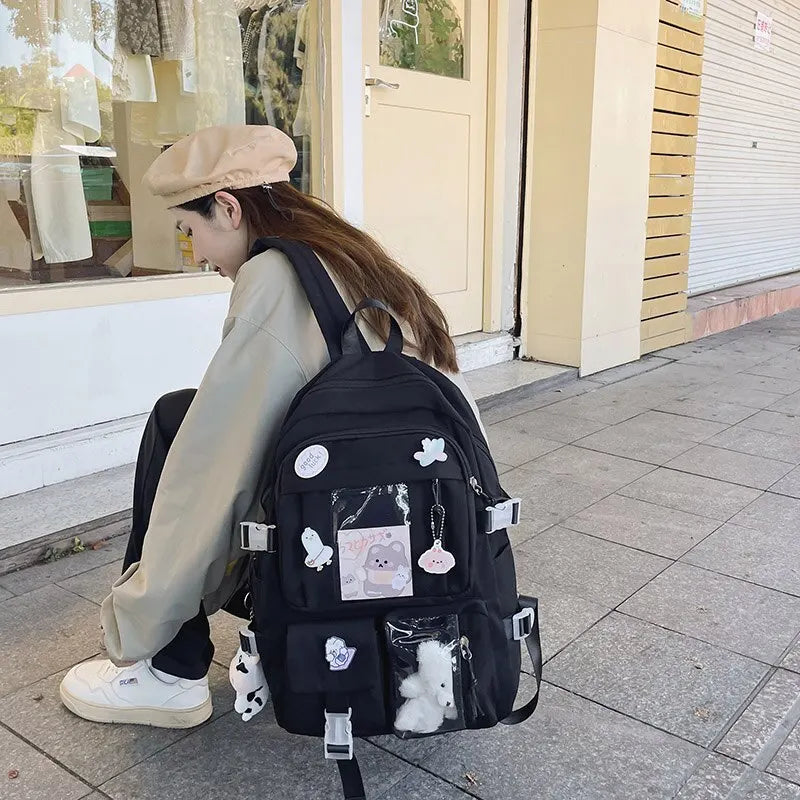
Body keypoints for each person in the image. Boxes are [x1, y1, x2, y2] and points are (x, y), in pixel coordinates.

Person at [58, 124, 484, 728]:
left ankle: (166, 672)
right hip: (424, 532)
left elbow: (212, 472)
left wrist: (137, 617)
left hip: (340, 538)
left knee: (181, 432)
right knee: (182, 413)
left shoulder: (276, 278)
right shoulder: (345, 252)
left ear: (227, 208)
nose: (198, 255)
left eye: (190, 232)